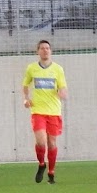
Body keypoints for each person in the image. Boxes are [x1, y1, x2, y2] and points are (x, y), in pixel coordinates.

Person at [22, 40, 68, 184]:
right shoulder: (32, 68)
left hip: (54, 111)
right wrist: (26, 99)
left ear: (51, 51)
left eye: (47, 48)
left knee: (52, 143)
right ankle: (42, 164)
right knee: (41, 141)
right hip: (38, 111)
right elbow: (25, 85)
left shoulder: (58, 69)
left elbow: (63, 87)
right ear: (38, 51)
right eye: (42, 48)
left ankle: (51, 173)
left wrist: (63, 93)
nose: (45, 50)